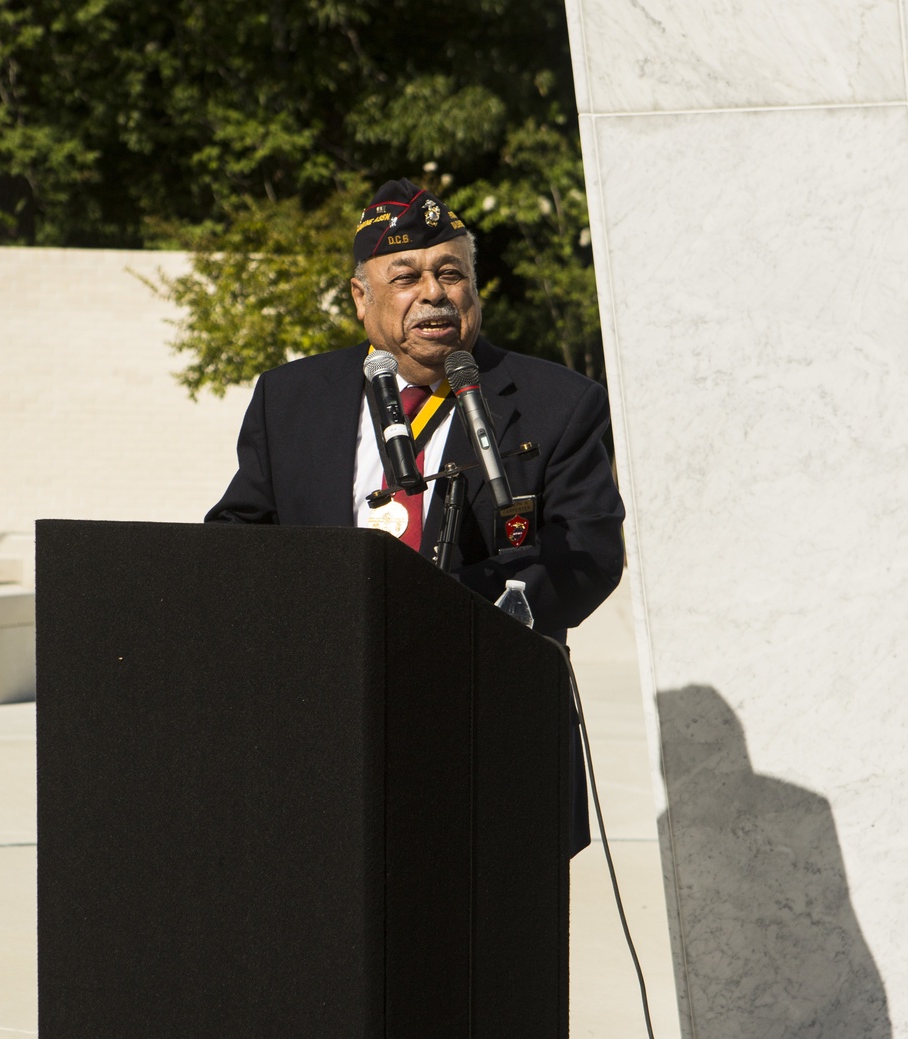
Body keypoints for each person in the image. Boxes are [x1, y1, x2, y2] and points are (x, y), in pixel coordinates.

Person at [205, 178, 625, 852]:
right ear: (360, 298)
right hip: (324, 735)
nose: (433, 293)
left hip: (486, 732)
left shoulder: (556, 403)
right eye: (405, 276)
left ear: (475, 291)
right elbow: (235, 539)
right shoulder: (291, 399)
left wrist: (446, 616)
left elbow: (589, 552)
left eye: (451, 272)